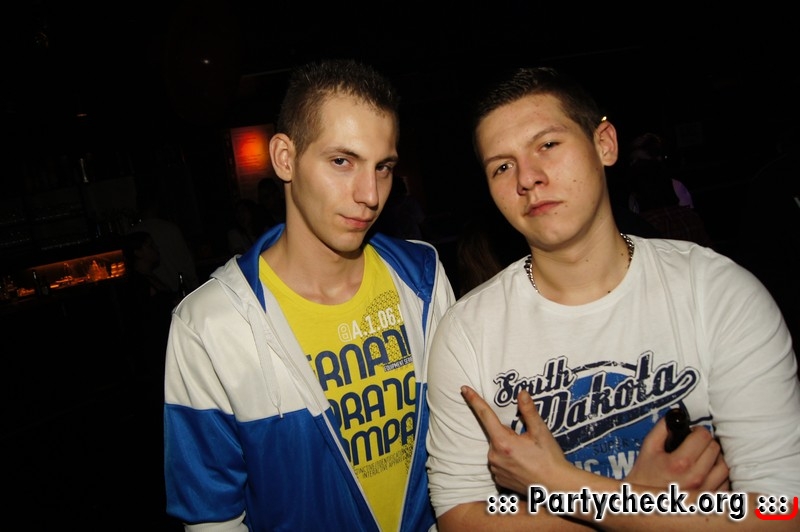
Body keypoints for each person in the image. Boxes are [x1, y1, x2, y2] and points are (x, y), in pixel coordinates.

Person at [425, 66, 800, 529]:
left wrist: (559, 484)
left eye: (548, 144)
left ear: (604, 143)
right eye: (502, 166)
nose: (528, 178)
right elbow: (461, 516)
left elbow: (782, 512)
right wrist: (641, 503)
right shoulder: (467, 332)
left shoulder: (718, 294)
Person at [164, 58, 456, 531]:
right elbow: (212, 517)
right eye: (342, 161)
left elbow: (460, 443)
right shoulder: (210, 324)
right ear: (285, 158)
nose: (370, 194)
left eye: (383, 167)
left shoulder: (421, 278)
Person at [132, 186, 200, 293]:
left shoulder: (134, 232)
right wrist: (194, 285)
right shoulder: (170, 229)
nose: (156, 248)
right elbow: (186, 262)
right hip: (172, 289)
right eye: (151, 246)